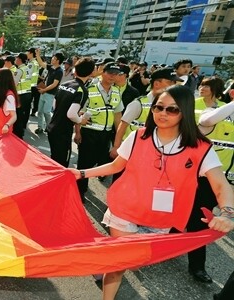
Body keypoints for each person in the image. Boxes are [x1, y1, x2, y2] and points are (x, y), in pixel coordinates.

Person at [69, 85, 234, 300]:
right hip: (125, 209)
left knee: (134, 260)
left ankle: (107, 263)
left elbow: (221, 185)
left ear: (185, 111)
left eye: (172, 109)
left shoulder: (200, 147)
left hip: (161, 218)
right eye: (158, 107)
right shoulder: (139, 136)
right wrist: (80, 173)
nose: (163, 113)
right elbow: (115, 166)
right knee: (120, 263)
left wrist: (227, 213)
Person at [188, 77, 229, 283]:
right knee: (194, 220)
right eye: (201, 85)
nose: (202, 88)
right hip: (197, 173)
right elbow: (207, 122)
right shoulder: (194, 106)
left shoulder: (224, 108)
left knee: (195, 218)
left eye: (206, 86)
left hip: (222, 178)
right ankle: (196, 266)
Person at [76, 63, 124, 201]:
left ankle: (90, 180)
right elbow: (80, 113)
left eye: (116, 74)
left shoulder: (116, 92)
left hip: (106, 135)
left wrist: (118, 138)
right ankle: (80, 191)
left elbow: (117, 115)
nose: (112, 76)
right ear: (102, 72)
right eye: (110, 73)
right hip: (89, 133)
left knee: (103, 161)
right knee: (84, 164)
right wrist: (77, 132)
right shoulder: (89, 90)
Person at [46, 57, 95, 167]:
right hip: (63, 131)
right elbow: (71, 114)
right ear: (92, 73)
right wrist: (81, 121)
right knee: (61, 164)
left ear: (75, 70)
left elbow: (54, 105)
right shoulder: (82, 90)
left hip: (52, 127)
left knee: (54, 160)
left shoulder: (65, 84)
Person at [34, 50, 64, 135]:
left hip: (50, 94)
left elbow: (55, 84)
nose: (52, 59)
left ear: (58, 60)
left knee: (46, 112)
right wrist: (38, 55)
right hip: (44, 92)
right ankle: (40, 127)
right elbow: (41, 63)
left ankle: (49, 127)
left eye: (54, 58)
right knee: (40, 111)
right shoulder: (51, 67)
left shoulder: (59, 71)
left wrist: (44, 90)